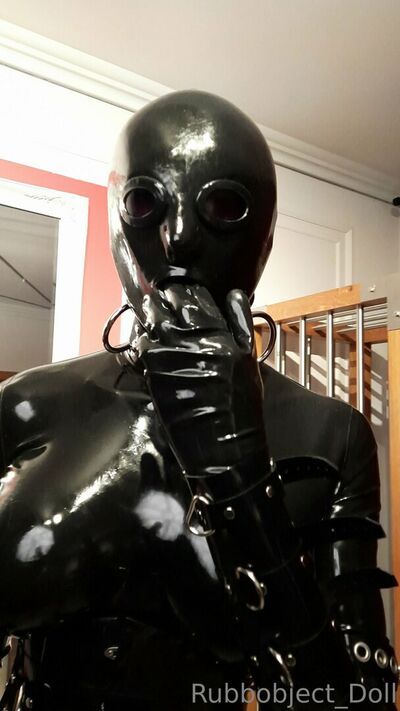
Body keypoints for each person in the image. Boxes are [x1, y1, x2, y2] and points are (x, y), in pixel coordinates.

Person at [0, 90, 397, 710]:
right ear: (114, 223)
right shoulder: (27, 401)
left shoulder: (330, 434)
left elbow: (355, 696)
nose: (180, 237)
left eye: (222, 206)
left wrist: (244, 485)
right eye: (145, 202)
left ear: (264, 239)